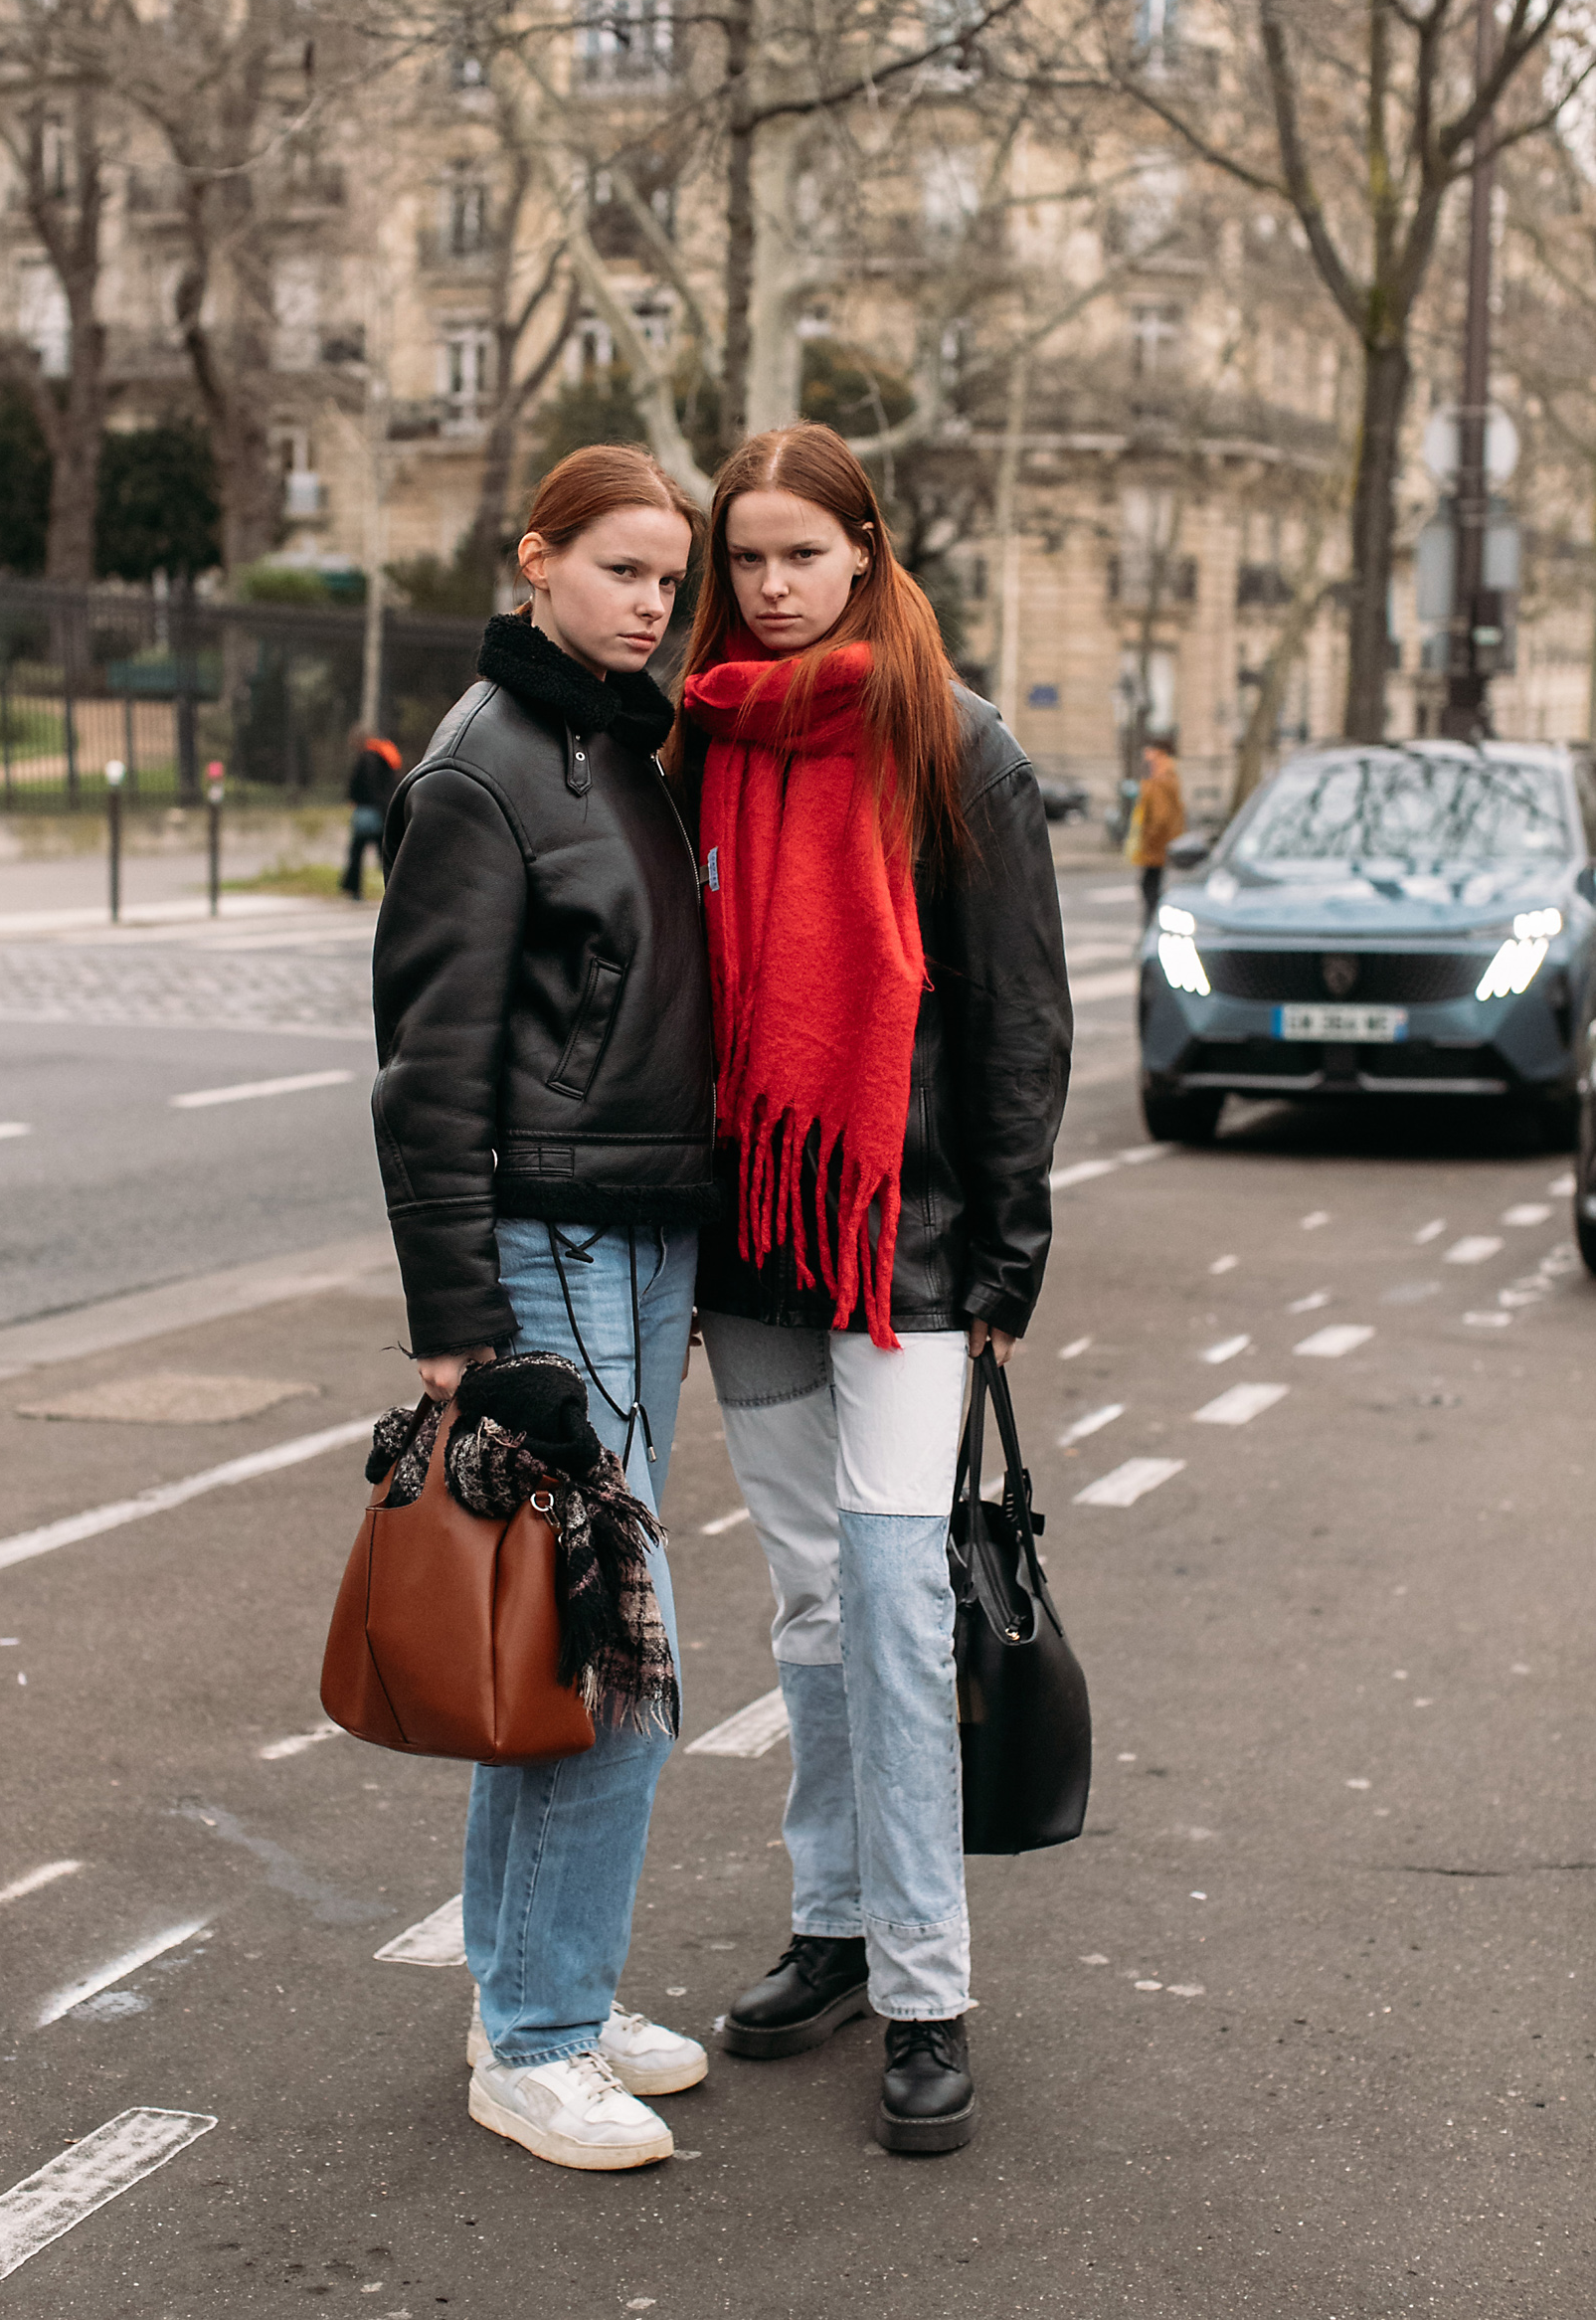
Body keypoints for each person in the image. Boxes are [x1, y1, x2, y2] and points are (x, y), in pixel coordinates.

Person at [668, 422, 1072, 2156]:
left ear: (862, 549)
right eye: (742, 558)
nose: (767, 588)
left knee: (900, 1610)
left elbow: (1016, 1018)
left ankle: (924, 1983)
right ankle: (830, 1925)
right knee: (815, 1608)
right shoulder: (691, 739)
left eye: (797, 555)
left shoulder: (952, 746)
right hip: (752, 1238)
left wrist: (1006, 1257)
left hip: (899, 1246)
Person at [369, 445, 716, 2173]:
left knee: (564, 1633)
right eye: (621, 570)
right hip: (547, 1251)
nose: (651, 602)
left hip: (645, 1240)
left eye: (670, 577)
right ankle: (538, 2038)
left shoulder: (621, 749)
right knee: (617, 1635)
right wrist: (460, 1327)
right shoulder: (480, 770)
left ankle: (536, 1985)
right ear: (535, 562)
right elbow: (424, 1073)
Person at [340, 727, 403, 899]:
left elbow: (363, 784)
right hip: (384, 811)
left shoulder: (367, 758)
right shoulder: (385, 755)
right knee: (386, 854)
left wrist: (356, 799)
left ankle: (353, 889)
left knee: (357, 851)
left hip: (369, 811)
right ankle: (396, 890)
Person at [1133, 732, 1185, 929]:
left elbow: (1160, 816)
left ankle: (1151, 927)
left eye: (1150, 750)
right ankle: (1152, 924)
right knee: (1151, 885)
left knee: (1149, 886)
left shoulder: (1162, 778)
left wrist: (1149, 838)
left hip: (1156, 845)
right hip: (1160, 844)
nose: (1146, 755)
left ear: (1160, 752)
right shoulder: (1164, 775)